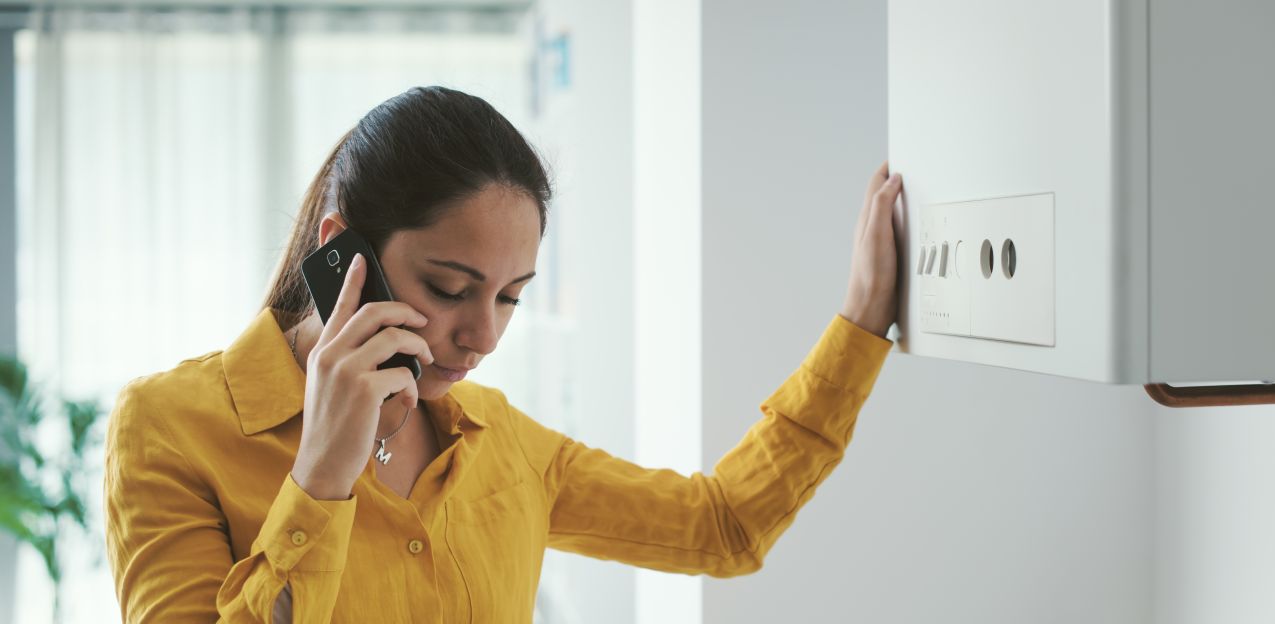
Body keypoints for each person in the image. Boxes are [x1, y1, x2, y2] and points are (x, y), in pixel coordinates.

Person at [104, 85, 903, 623]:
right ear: (342, 250)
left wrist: (863, 323)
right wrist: (320, 479)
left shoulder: (498, 440)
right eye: (450, 287)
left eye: (511, 296)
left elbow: (723, 526)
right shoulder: (170, 427)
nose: (483, 337)